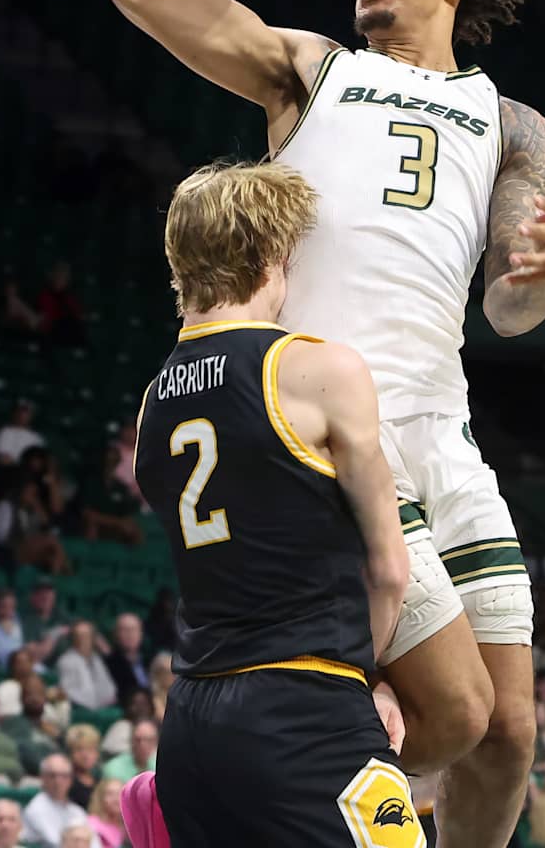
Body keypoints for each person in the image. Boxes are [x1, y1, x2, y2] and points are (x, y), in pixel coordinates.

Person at [110, 0, 545, 846]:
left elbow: (510, 307)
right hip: (325, 427)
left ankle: (240, 790)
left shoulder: (517, 126)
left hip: (442, 432)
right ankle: (218, 796)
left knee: (509, 730)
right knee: (450, 711)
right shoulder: (313, 72)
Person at [128, 162, 411, 847]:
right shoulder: (319, 371)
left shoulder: (152, 403)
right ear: (271, 255)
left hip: (192, 722)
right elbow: (390, 570)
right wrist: (362, 687)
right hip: (301, 707)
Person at [23, 755, 89, 847]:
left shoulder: (77, 811)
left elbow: (93, 842)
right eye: (52, 776)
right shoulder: (36, 809)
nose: (58, 781)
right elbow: (57, 843)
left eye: (64, 776)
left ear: (70, 780)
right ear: (43, 778)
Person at [56, 623, 116, 712]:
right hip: (80, 710)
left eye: (87, 636)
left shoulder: (97, 659)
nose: (83, 640)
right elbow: (68, 692)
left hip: (103, 707)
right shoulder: (66, 661)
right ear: (73, 639)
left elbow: (108, 687)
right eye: (79, 636)